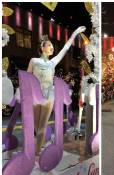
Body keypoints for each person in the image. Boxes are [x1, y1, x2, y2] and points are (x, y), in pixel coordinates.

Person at [26, 26, 86, 155]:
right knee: (36, 126)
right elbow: (27, 78)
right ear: (42, 48)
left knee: (42, 125)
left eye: (52, 46)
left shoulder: (53, 62)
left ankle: (37, 153)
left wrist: (75, 33)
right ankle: (39, 146)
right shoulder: (34, 61)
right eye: (49, 45)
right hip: (35, 95)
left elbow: (65, 48)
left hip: (48, 94)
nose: (52, 47)